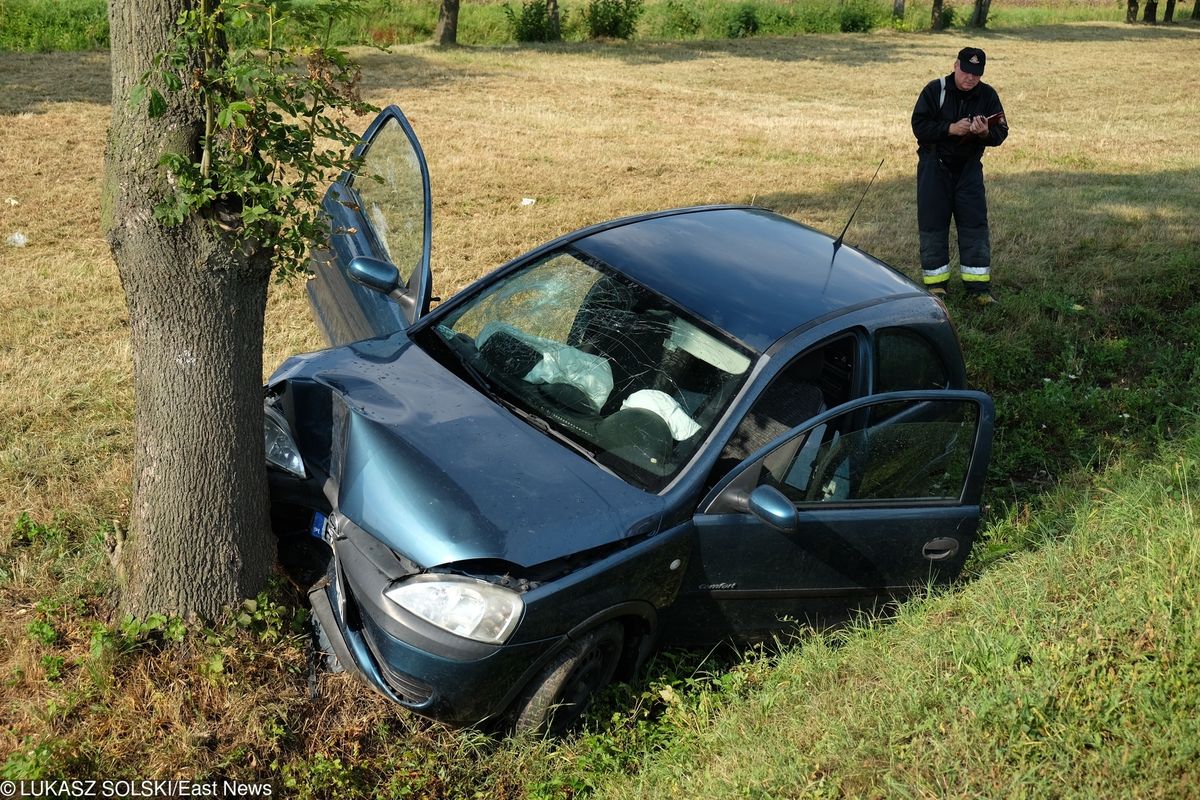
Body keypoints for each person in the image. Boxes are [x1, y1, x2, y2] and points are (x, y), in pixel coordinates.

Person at [911, 46, 1008, 305]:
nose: (970, 78)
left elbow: (1001, 132)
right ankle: (936, 286)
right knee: (933, 224)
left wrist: (984, 133)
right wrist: (950, 128)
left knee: (974, 224)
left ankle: (978, 289)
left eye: (976, 74)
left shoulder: (988, 95)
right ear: (955, 65)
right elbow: (918, 126)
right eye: (966, 71)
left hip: (969, 170)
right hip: (935, 167)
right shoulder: (935, 90)